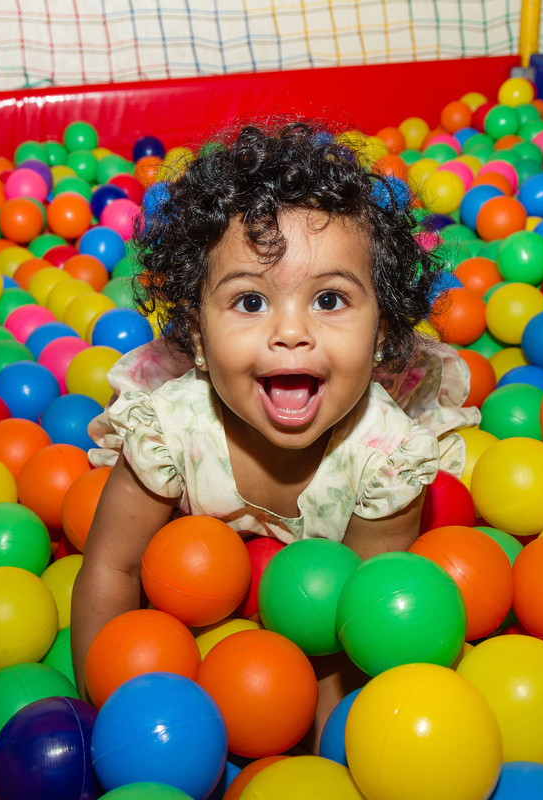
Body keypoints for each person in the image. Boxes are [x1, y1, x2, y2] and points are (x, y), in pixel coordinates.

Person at [70, 120, 479, 748]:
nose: (292, 332)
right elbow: (111, 568)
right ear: (199, 339)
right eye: (251, 302)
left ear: (382, 334)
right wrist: (106, 715)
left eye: (331, 300)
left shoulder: (385, 461)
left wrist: (322, 757)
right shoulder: (170, 430)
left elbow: (358, 627)